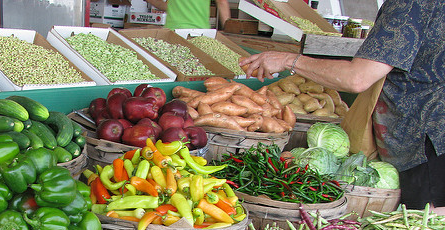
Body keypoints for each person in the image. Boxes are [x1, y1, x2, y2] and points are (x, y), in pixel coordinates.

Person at [238, 0, 445, 214]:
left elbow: (357, 78)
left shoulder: (411, 4)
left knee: (424, 229)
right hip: (432, 136)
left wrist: (288, 60)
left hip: (428, 141)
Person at [145, 0, 231, 30]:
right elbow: (221, 2)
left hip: (172, 31)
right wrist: (229, 29)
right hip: (199, 32)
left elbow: (168, 7)